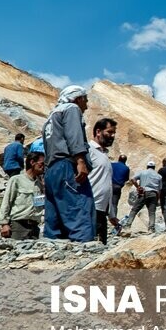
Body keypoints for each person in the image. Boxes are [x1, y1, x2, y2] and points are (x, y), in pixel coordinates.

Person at [42, 85, 95, 242]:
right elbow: (74, 136)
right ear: (78, 98)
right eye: (86, 100)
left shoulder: (51, 116)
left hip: (52, 169)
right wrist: (80, 161)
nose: (87, 104)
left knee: (54, 219)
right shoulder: (72, 108)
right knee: (79, 210)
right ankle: (85, 253)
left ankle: (54, 256)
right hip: (67, 166)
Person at [0, 152, 45, 239]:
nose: (44, 167)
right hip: (18, 227)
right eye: (42, 164)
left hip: (34, 228)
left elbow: (39, 205)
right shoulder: (16, 180)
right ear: (32, 162)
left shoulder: (39, 184)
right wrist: (4, 224)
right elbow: (6, 202)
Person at [88, 118, 120, 244]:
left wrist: (111, 214)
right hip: (90, 207)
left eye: (113, 134)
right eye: (109, 132)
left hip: (101, 211)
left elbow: (108, 186)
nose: (112, 136)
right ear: (98, 132)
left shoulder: (103, 154)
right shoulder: (89, 150)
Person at [125, 160, 162, 231]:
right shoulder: (159, 176)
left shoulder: (143, 172)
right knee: (152, 212)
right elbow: (159, 190)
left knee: (134, 209)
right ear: (154, 167)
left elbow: (133, 179)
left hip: (143, 192)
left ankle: (128, 225)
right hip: (153, 194)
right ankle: (151, 228)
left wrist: (138, 187)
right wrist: (157, 198)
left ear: (147, 166)